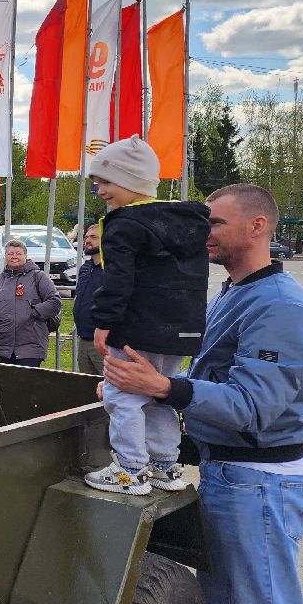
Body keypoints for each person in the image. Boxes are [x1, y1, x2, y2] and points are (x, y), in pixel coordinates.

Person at [104, 184, 303, 604]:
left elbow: (254, 407)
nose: (204, 231)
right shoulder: (235, 292)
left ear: (258, 226)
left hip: (263, 484)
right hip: (230, 475)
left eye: (217, 222)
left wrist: (165, 391)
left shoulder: (286, 310)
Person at [83, 135, 210, 496]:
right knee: (158, 394)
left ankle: (129, 469)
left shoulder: (123, 223)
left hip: (138, 329)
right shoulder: (188, 222)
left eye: (106, 181)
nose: (100, 190)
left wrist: (103, 322)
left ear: (131, 181)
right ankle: (165, 467)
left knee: (121, 396)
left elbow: (118, 279)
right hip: (180, 333)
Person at [0, 238, 62, 366]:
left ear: (25, 256)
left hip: (31, 346)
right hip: (4, 346)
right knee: (7, 384)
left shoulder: (38, 277)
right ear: (5, 256)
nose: (14, 257)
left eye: (18, 253)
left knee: (27, 385)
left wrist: (32, 313)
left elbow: (55, 302)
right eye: (10, 253)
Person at [72, 223, 106, 375]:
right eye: (86, 237)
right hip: (83, 338)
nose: (87, 240)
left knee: (109, 389)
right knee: (86, 388)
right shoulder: (85, 267)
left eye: (94, 237)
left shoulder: (113, 269)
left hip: (104, 341)